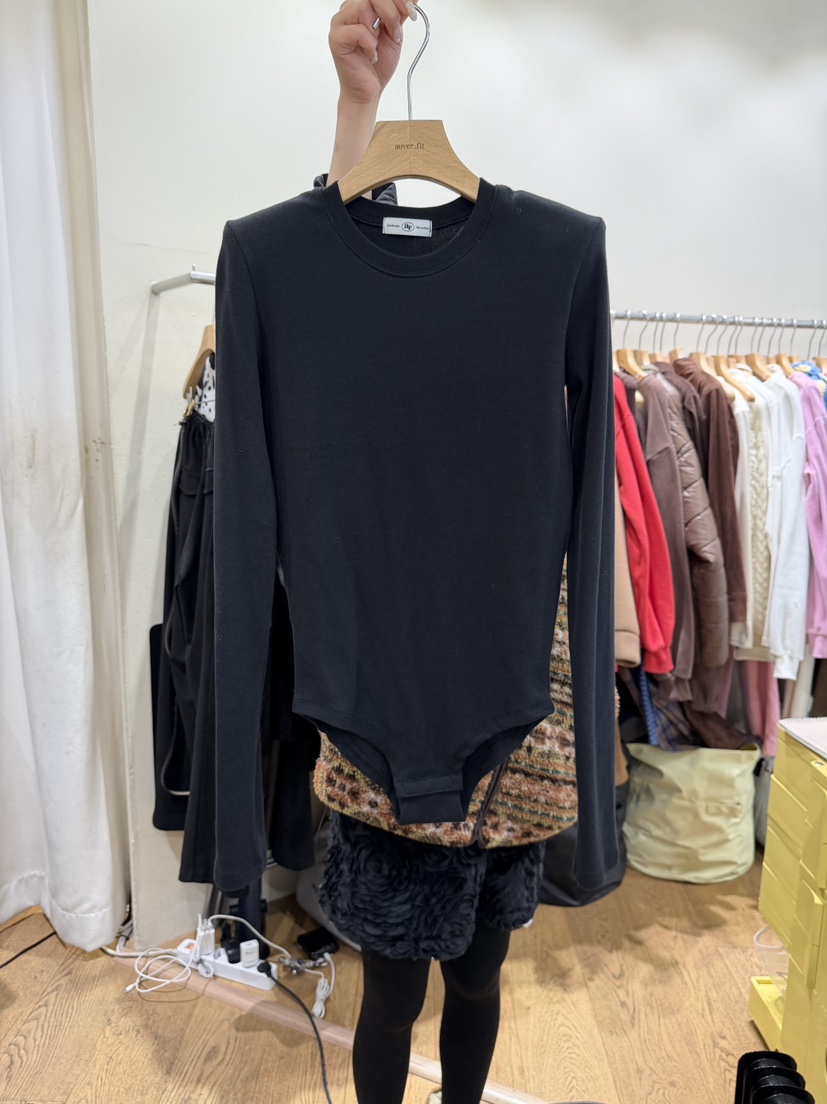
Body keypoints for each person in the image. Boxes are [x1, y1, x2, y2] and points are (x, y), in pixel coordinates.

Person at [314, 5, 550, 1103]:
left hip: (511, 709)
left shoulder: (539, 289)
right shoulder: (365, 334)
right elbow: (328, 279)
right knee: (392, 984)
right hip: (390, 703)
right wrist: (358, 106)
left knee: (483, 973)